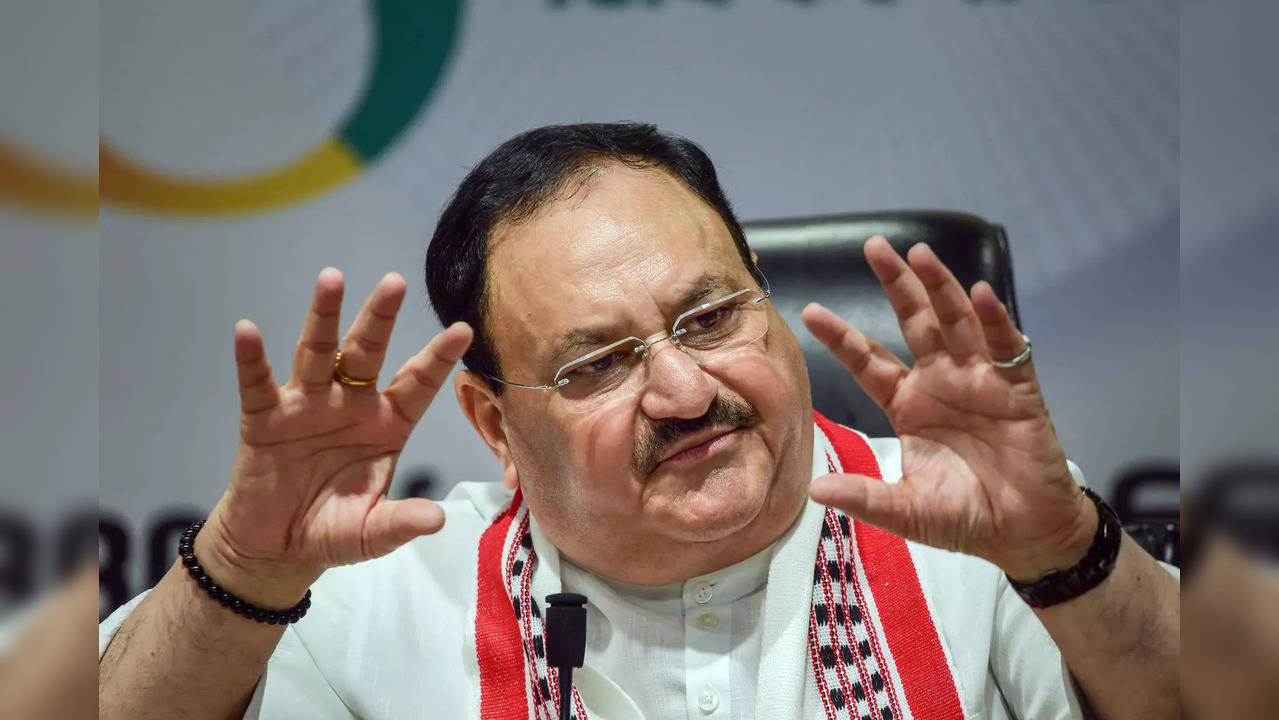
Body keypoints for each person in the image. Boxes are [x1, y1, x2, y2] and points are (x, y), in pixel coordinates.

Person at [98, 123, 1178, 719]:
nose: (682, 390)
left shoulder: (975, 527)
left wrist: (1060, 551)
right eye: (599, 363)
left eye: (709, 317)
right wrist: (241, 568)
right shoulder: (370, 597)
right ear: (491, 422)